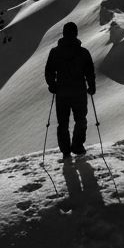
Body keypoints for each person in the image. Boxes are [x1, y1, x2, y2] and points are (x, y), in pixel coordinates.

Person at [45, 21, 95, 158]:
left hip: (62, 93)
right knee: (80, 119)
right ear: (76, 33)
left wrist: (52, 85)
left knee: (63, 123)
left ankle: (66, 151)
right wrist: (91, 86)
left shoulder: (55, 52)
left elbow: (49, 71)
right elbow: (89, 72)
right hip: (79, 92)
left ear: (63, 33)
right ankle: (77, 146)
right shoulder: (83, 52)